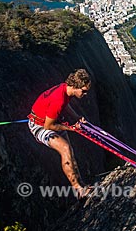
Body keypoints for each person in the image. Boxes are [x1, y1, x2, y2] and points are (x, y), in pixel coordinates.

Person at [28, 68, 92, 199]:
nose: (85, 94)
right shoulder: (59, 99)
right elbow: (48, 126)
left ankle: (82, 185)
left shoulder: (65, 89)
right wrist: (72, 128)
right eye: (84, 91)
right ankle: (78, 190)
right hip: (40, 126)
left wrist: (76, 117)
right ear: (75, 86)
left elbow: (66, 106)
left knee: (70, 153)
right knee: (65, 148)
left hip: (52, 121)